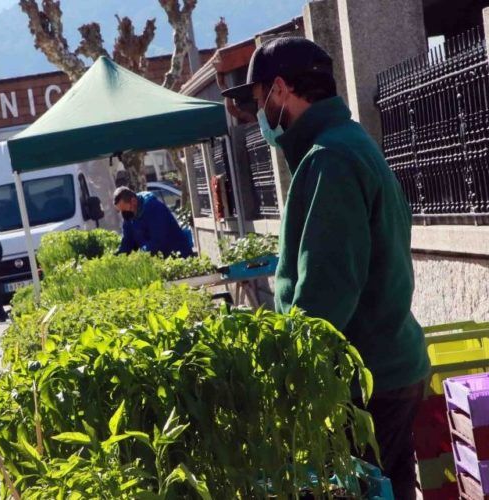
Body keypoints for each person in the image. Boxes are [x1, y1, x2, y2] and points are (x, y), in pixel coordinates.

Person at [221, 37, 429, 500]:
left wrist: (285, 374)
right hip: (389, 364)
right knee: (390, 487)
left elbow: (325, 291)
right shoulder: (347, 143)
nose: (259, 118)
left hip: (367, 376)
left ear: (279, 90)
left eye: (258, 102)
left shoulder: (329, 160)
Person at [113, 186, 192, 258]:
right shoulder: (128, 214)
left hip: (177, 255)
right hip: (157, 258)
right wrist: (118, 256)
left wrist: (141, 254)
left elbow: (158, 239)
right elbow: (128, 240)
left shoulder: (154, 208)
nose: (125, 213)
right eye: (121, 211)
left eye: (127, 209)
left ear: (133, 201)